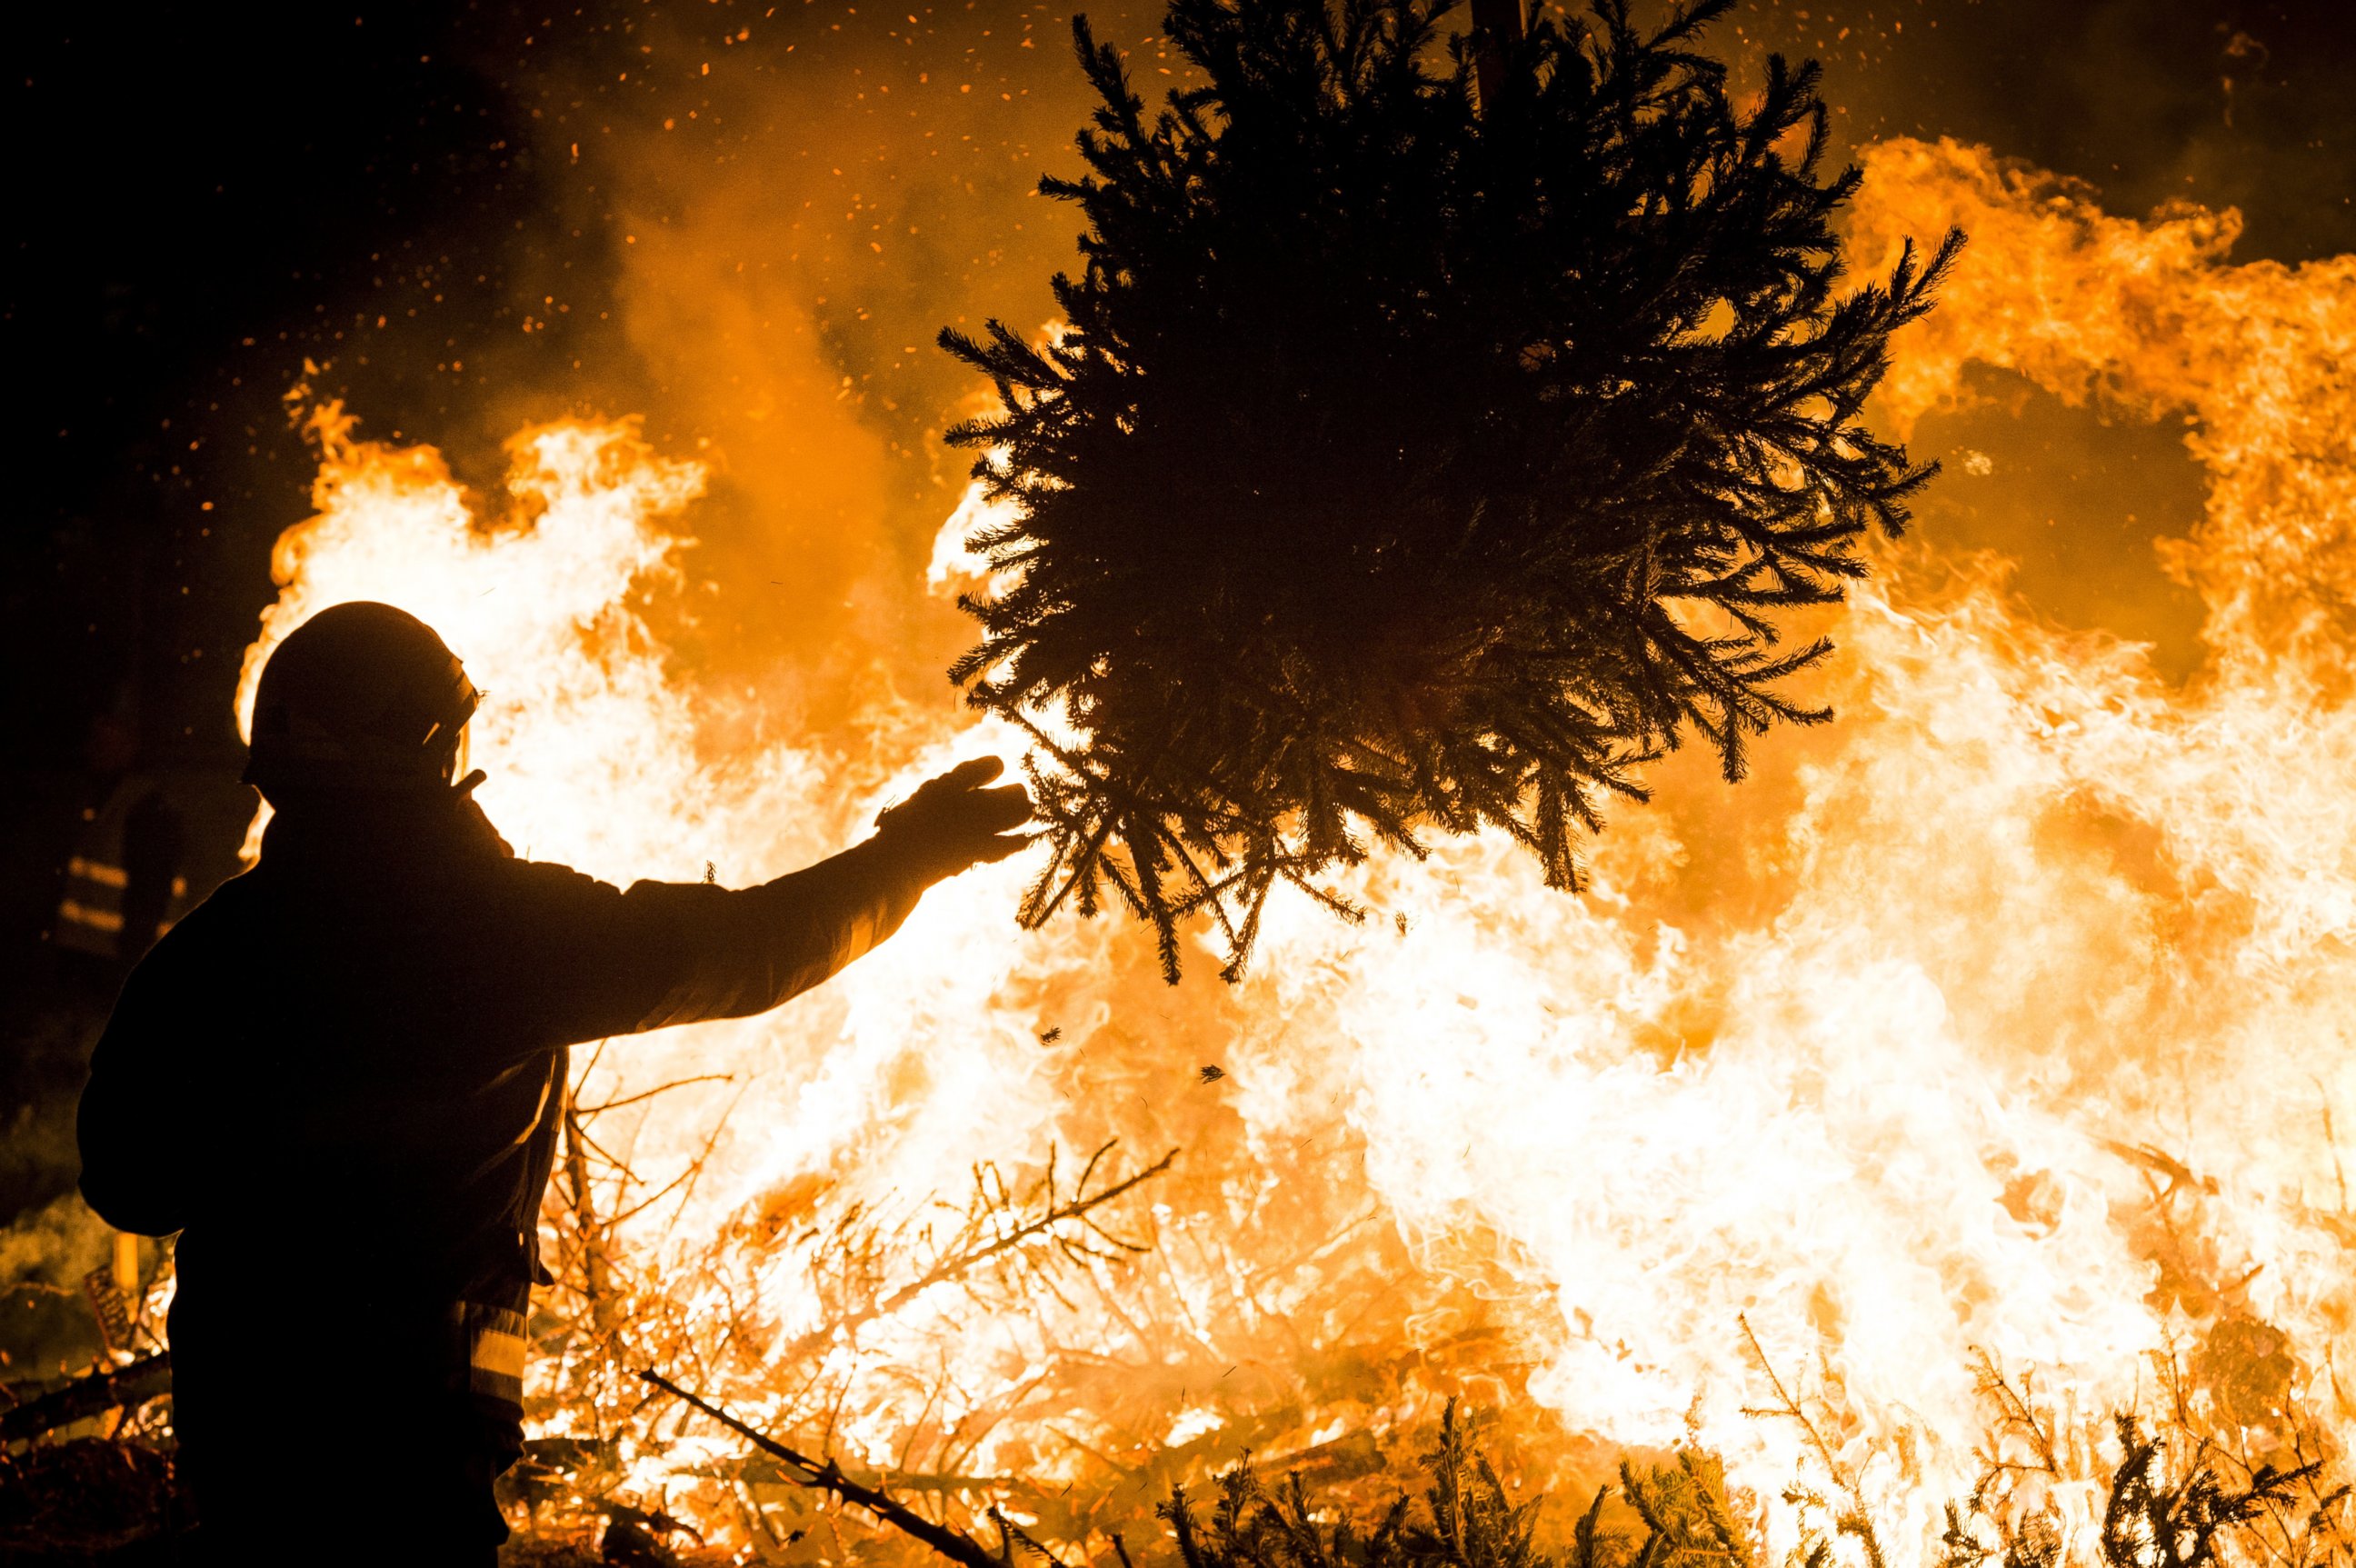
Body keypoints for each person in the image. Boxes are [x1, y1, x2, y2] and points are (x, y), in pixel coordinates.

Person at [75, 601, 1033, 1565]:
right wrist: (912, 853)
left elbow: (126, 1180)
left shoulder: (209, 954)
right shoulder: (487, 931)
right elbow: (754, 951)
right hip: (412, 1433)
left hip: (246, 1416)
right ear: (437, 744)